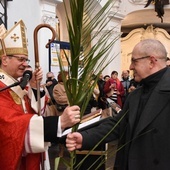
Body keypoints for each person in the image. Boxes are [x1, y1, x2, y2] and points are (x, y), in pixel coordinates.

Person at [66, 39, 170, 170]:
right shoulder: (135, 95)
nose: (131, 67)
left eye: (134, 61)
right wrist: (84, 138)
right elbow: (118, 125)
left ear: (151, 61)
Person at [0, 20, 80, 170]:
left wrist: (35, 87)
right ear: (5, 60)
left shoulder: (15, 84)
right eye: (20, 59)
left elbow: (38, 113)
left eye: (26, 60)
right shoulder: (2, 87)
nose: (25, 64)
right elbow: (12, 124)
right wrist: (59, 122)